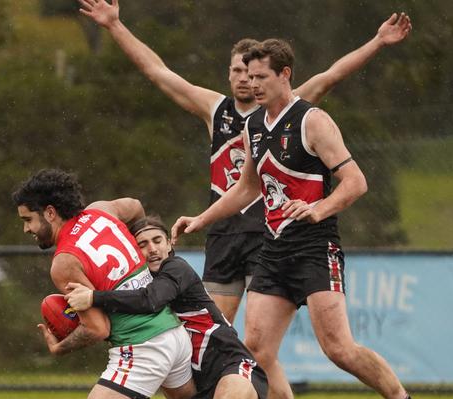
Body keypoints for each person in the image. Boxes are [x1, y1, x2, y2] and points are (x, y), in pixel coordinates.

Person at [172, 39, 436, 399]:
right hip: (274, 248)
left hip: (316, 247)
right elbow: (246, 188)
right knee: (255, 349)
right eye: (249, 76)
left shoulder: (313, 121)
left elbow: (355, 182)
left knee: (339, 348)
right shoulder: (254, 124)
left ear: (285, 75)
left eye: (261, 77)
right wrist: (202, 219)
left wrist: (318, 209)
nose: (253, 84)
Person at [78, 0, 412, 329]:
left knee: (260, 342)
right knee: (214, 328)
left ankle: (258, 383)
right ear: (229, 73)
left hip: (266, 232)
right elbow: (158, 73)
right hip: (224, 233)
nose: (245, 80)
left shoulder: (289, 109)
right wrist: (114, 25)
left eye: (251, 73)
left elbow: (332, 75)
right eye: (237, 71)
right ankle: (229, 383)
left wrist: (378, 41)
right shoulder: (216, 109)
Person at [12, 168, 305, 399]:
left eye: (28, 219)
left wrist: (62, 346)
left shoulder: (65, 261)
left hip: (142, 349)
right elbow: (136, 206)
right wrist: (141, 260)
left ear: (51, 212)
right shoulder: (102, 211)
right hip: (174, 336)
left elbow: (99, 329)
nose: (27, 229)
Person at [65, 215, 337, 399]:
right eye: (142, 244)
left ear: (169, 244)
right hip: (204, 391)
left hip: (233, 365)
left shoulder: (176, 269)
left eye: (157, 240)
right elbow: (125, 308)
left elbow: (150, 300)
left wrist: (93, 297)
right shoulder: (137, 286)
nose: (152, 249)